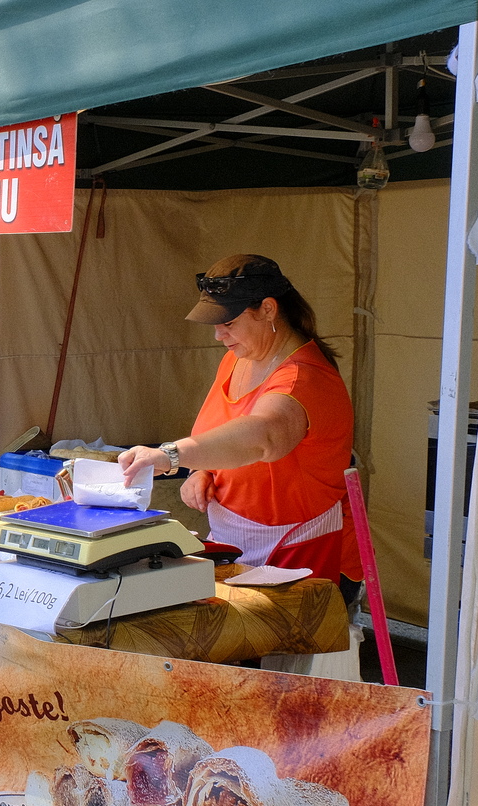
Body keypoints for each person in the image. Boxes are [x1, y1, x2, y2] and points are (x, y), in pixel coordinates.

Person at [117, 254, 360, 595]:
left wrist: (172, 455)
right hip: (233, 540)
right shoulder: (236, 359)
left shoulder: (304, 378)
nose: (219, 335)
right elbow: (220, 433)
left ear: (268, 309)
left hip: (301, 547)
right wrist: (203, 471)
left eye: (229, 323)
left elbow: (262, 437)